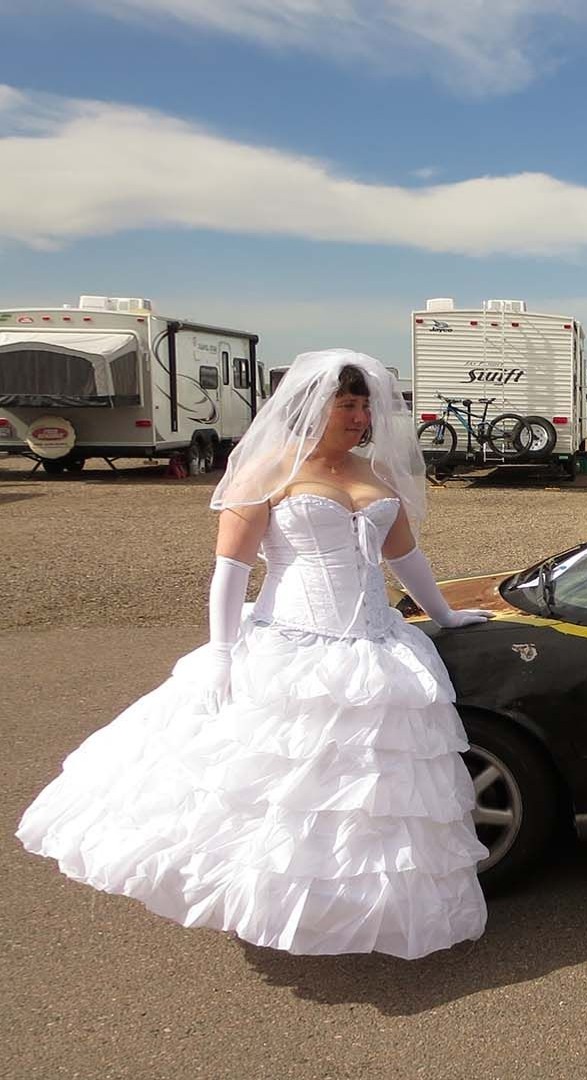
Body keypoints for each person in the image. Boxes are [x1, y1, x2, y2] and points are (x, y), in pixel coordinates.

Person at [16, 350, 494, 959]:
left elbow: (404, 558)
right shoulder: (266, 471)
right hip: (289, 643)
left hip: (375, 650)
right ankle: (268, 903)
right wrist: (220, 652)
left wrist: (447, 614)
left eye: (364, 404)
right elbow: (230, 570)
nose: (360, 416)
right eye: (347, 404)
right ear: (312, 407)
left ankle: (350, 909)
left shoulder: (375, 473)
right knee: (276, 789)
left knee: (367, 798)